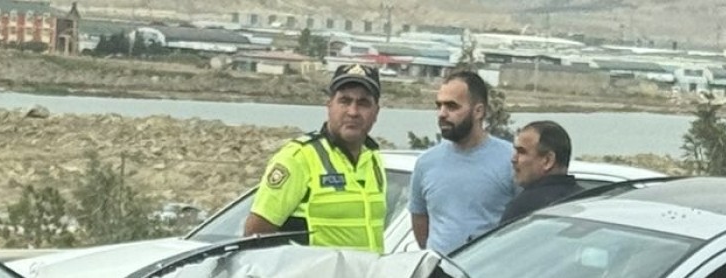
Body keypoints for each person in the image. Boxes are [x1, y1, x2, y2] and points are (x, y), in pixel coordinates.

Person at [244, 63, 387, 252]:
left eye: (363, 103)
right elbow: (255, 235)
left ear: (376, 112)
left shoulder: (373, 158)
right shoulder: (299, 158)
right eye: (344, 101)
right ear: (329, 106)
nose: (353, 112)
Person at [408, 70, 515, 254]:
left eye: (452, 106)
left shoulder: (511, 160)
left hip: (489, 276)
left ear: (478, 111)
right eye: (439, 106)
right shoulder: (426, 163)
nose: (442, 114)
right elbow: (420, 221)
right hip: (438, 276)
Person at [499, 120, 581, 225]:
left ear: (548, 160)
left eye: (522, 152)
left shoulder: (522, 208)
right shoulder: (586, 202)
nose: (514, 159)